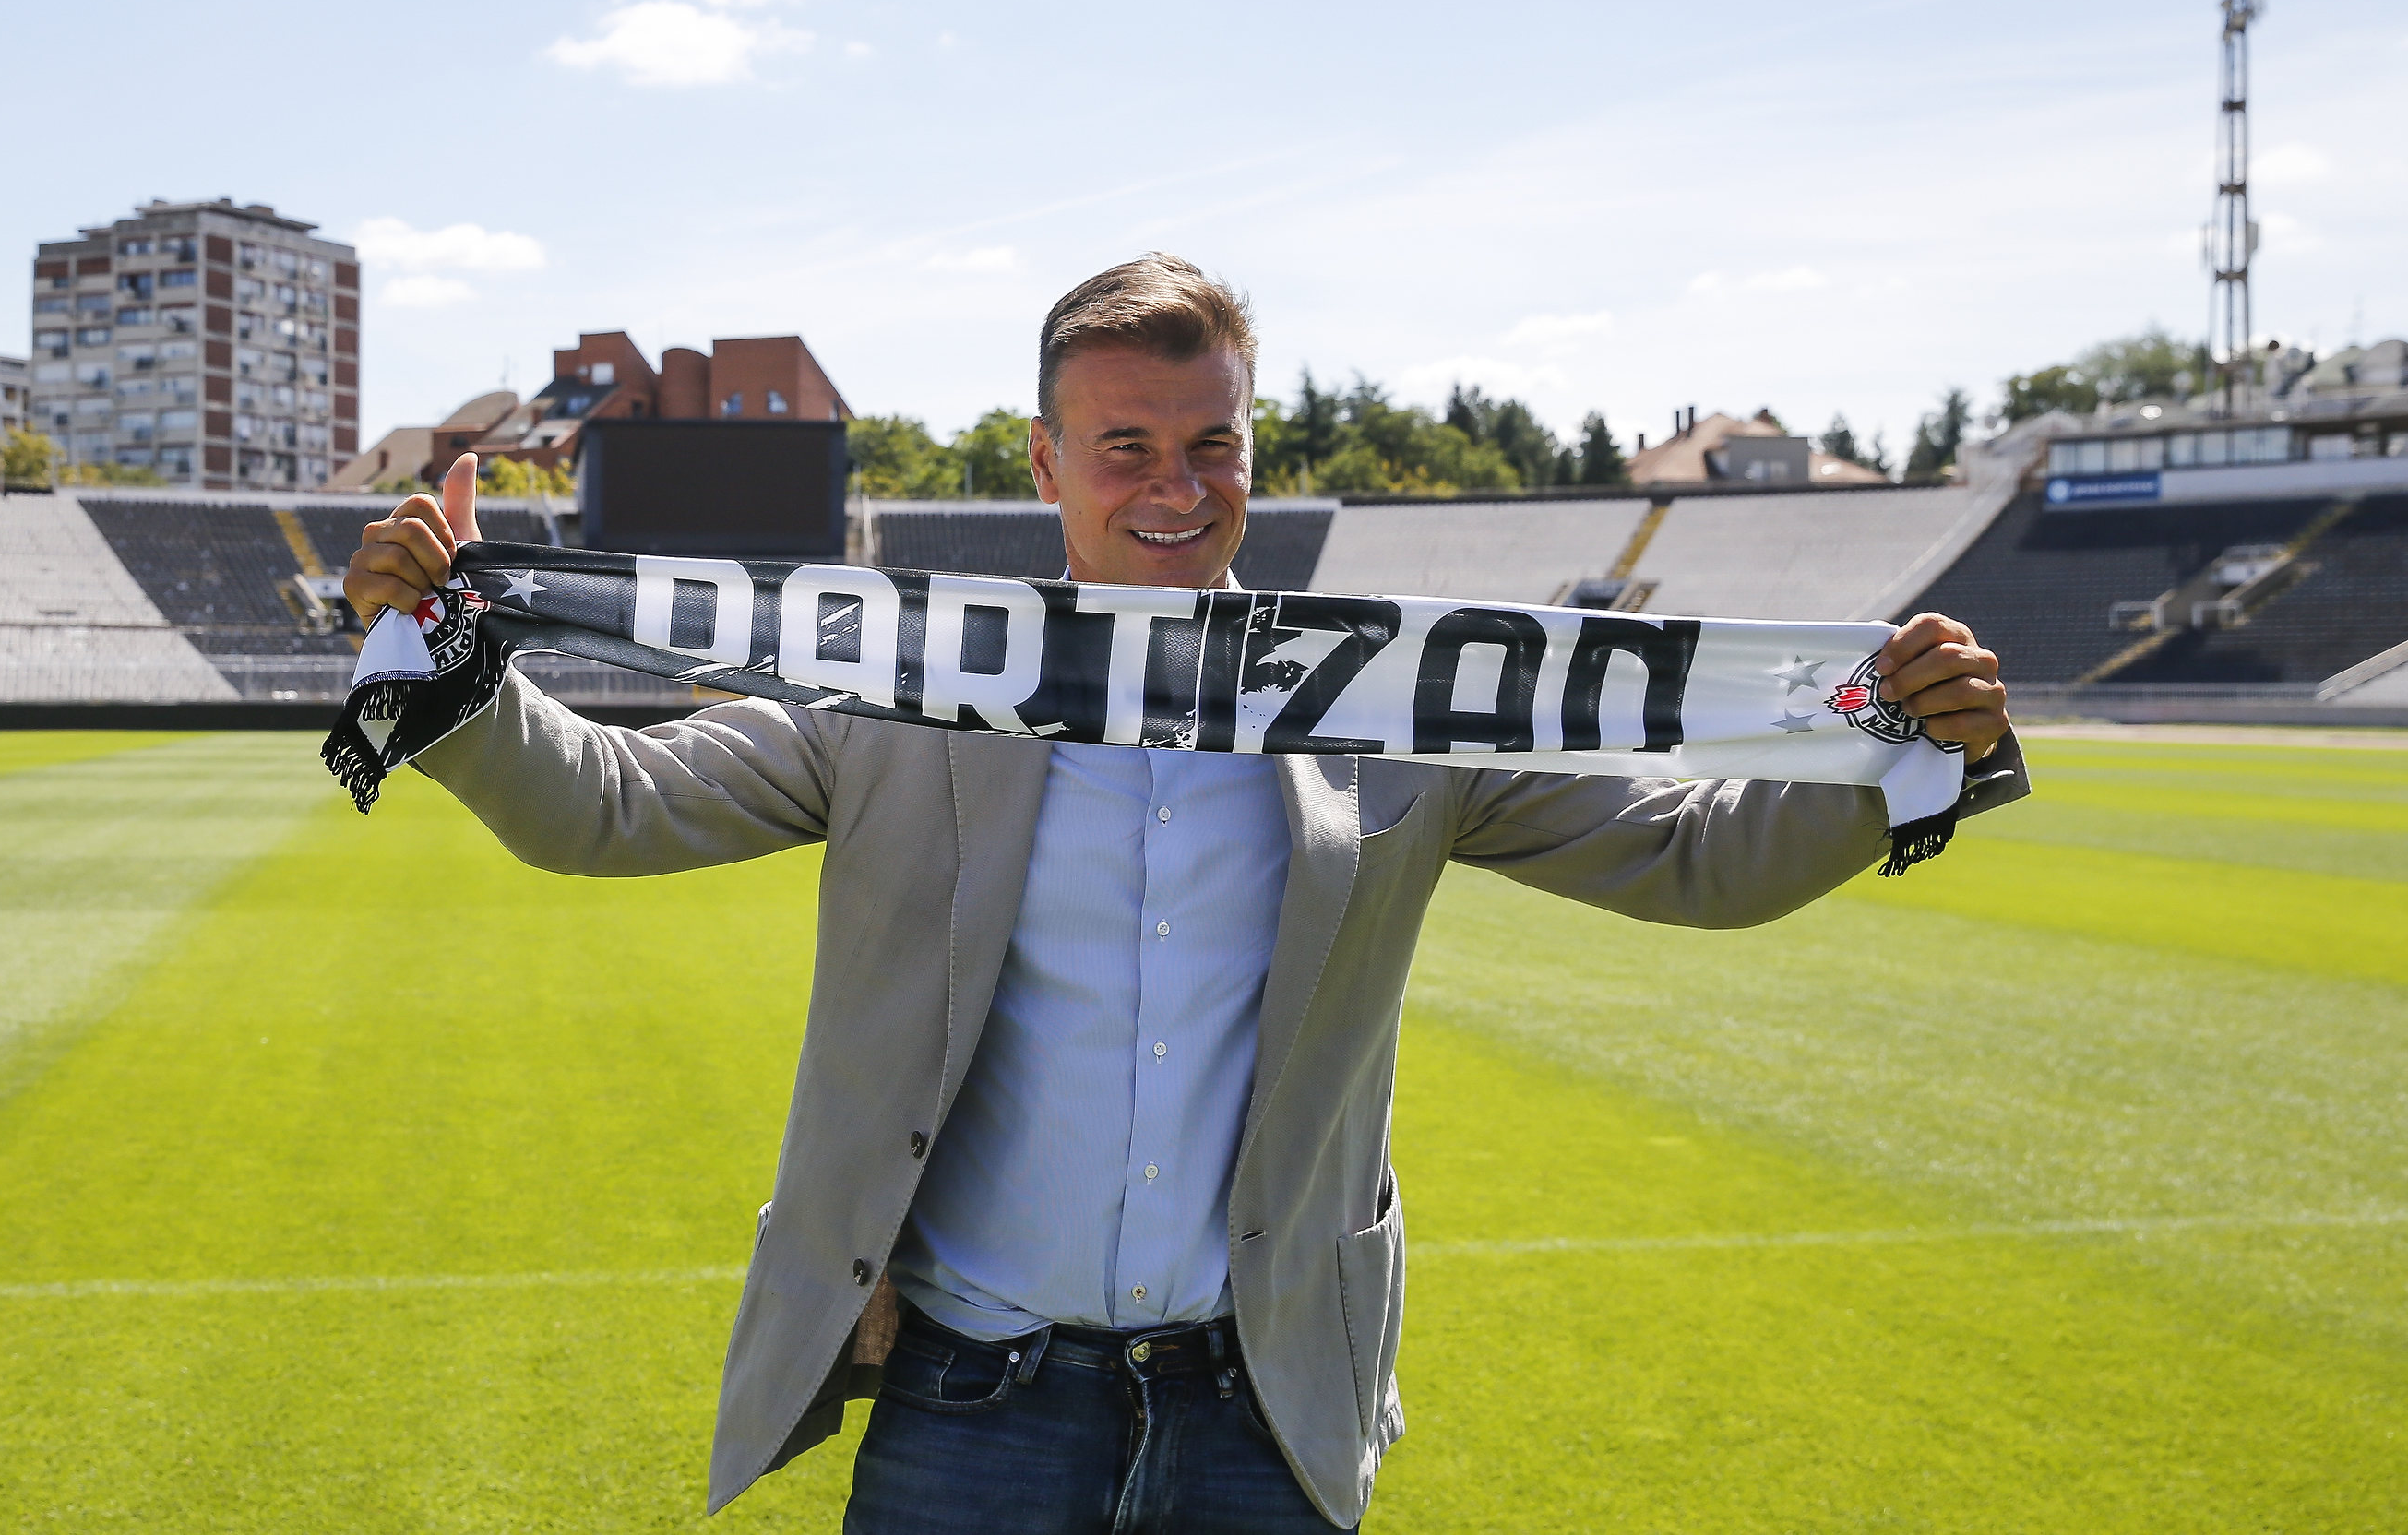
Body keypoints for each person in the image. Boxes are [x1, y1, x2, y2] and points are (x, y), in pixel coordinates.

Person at [344, 255, 2022, 1532]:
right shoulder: (909, 687)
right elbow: (613, 805)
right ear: (1046, 459)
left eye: (1212, 443)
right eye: (1126, 444)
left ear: (1250, 448)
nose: (1175, 484)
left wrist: (1896, 748)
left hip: (1258, 1404)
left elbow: (1693, 853)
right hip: (972, 1407)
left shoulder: (1393, 700)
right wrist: (456, 669)